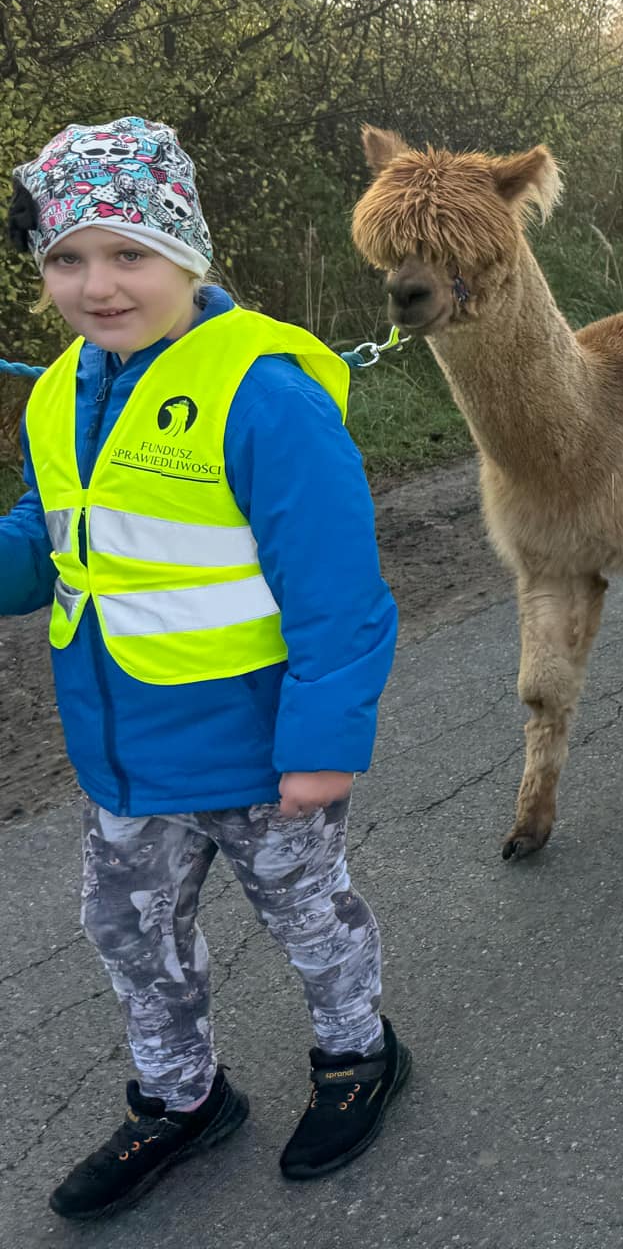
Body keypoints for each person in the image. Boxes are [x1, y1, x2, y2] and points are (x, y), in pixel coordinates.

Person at [2, 119, 404, 1219]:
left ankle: (356, 1056)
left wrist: (323, 749)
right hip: (121, 750)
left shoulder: (262, 393)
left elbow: (341, 595)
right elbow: (55, 539)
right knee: (128, 930)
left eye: (129, 252)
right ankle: (180, 1100)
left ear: (188, 253)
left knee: (308, 919)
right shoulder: (59, 391)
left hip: (258, 747)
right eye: (67, 258)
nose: (98, 285)